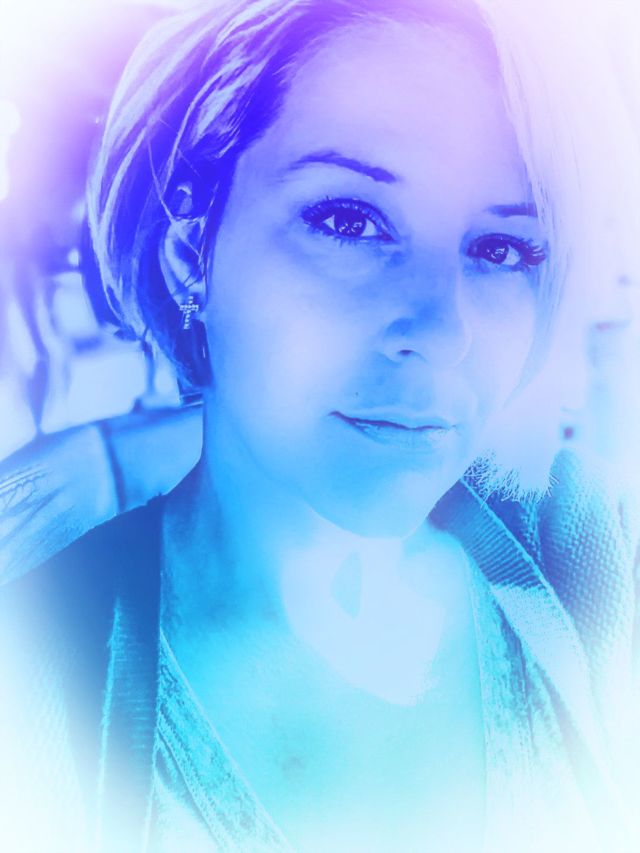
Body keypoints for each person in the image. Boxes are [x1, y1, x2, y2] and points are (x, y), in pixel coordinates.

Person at [1, 0, 639, 851]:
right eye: (347, 220)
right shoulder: (35, 675)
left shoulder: (587, 565)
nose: (444, 331)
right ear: (190, 252)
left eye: (500, 248)